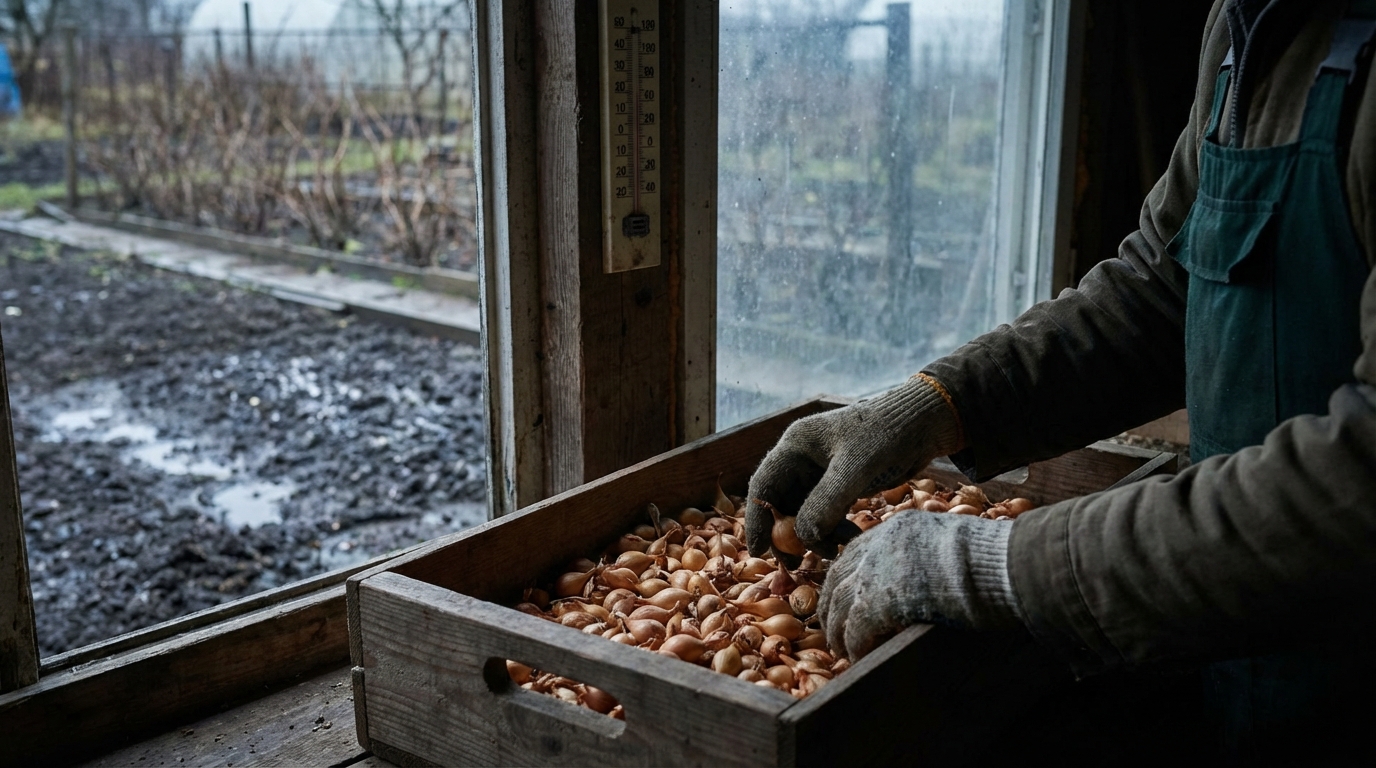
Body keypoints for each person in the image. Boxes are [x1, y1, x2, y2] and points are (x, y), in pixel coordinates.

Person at [744, 0, 1376, 760]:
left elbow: (1360, 481)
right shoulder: (1245, 24)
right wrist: (934, 404)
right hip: (1238, 636)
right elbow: (1163, 285)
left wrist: (1000, 565)